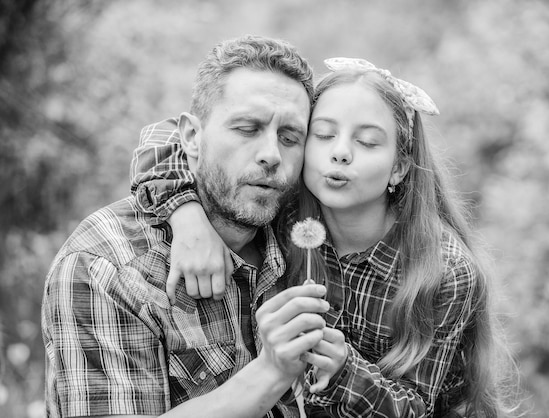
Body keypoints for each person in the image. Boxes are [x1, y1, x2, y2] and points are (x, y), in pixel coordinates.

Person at [131, 58, 518, 417]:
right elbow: (163, 136)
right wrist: (187, 216)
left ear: (399, 166)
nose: (341, 153)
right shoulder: (282, 208)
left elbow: (419, 408)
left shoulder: (442, 270)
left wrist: (345, 370)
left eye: (367, 142)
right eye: (323, 135)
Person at [41, 35, 333, 418]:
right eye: (246, 128)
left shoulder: (302, 226)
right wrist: (272, 371)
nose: (271, 156)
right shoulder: (107, 267)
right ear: (192, 138)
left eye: (290, 137)